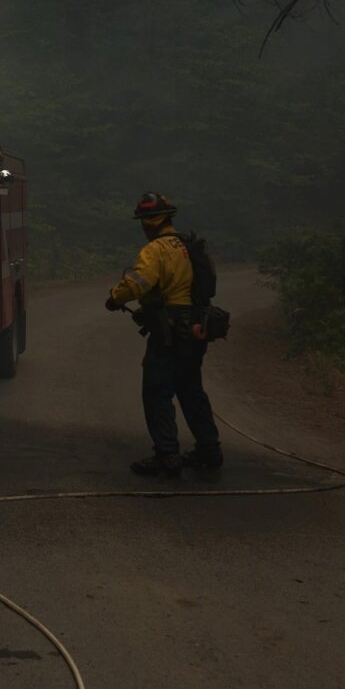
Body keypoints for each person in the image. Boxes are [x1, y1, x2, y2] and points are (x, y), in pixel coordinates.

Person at [104, 192, 223, 477]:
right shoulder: (189, 245)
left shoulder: (156, 250)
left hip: (171, 331)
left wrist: (115, 298)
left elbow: (137, 283)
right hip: (197, 328)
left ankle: (168, 456)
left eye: (143, 222)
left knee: (157, 391)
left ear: (148, 223)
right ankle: (210, 451)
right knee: (191, 389)